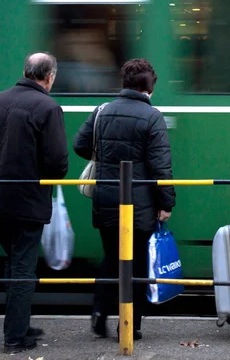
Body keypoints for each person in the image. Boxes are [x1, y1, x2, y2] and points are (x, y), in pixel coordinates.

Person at [74, 58, 176, 341]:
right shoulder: (152, 116)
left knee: (111, 258)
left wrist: (104, 157)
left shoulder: (102, 111)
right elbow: (160, 167)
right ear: (150, 88)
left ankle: (98, 313)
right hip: (140, 203)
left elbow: (80, 144)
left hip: (106, 198)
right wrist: (166, 203)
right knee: (137, 263)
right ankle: (130, 327)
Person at [0, 53, 69, 354]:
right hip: (27, 200)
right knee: (23, 268)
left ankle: (20, 324)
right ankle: (15, 337)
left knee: (13, 264)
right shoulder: (48, 106)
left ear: (25, 72)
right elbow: (57, 162)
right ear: (50, 76)